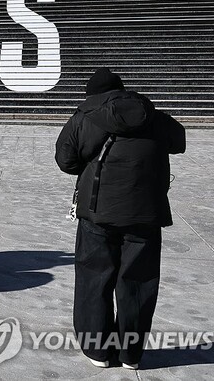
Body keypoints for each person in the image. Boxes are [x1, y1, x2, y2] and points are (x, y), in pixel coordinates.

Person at [55, 67, 186, 370]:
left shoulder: (86, 117)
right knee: (138, 284)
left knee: (94, 279)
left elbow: (65, 160)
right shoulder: (151, 115)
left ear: (93, 95)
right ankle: (130, 355)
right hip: (146, 212)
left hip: (98, 211)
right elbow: (178, 141)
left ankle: (98, 351)